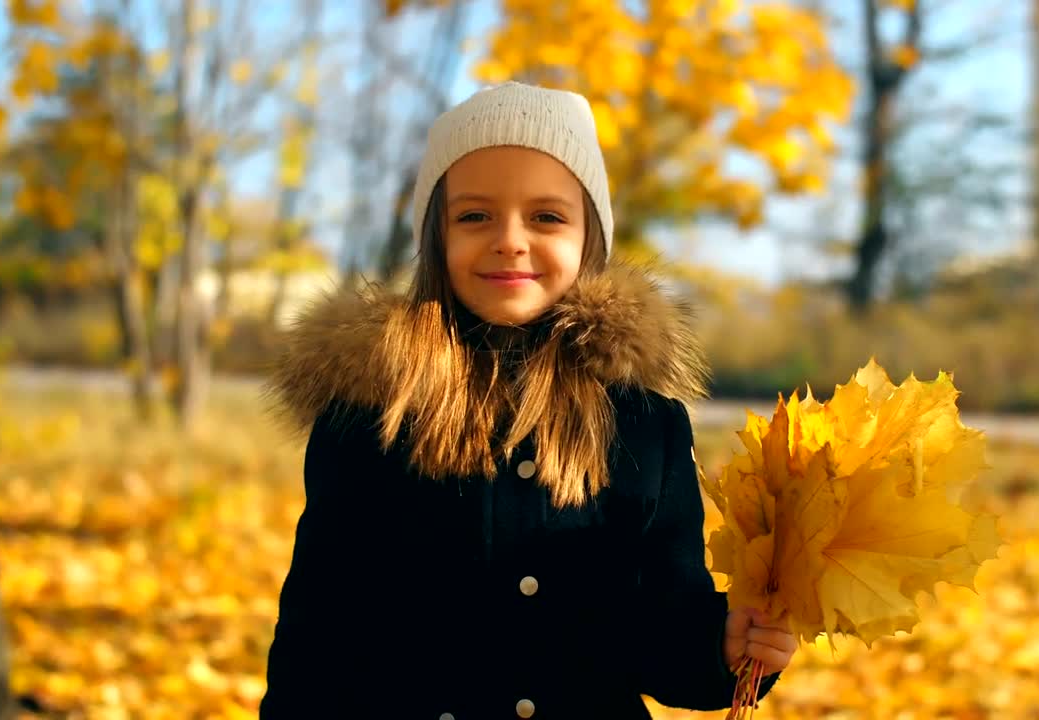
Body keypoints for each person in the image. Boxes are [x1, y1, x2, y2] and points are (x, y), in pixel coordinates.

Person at [259, 81, 796, 719]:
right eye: (475, 215)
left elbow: (664, 637)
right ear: (437, 237)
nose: (510, 239)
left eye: (545, 216)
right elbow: (317, 638)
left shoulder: (644, 426)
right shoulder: (374, 413)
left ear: (588, 238)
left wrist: (723, 647)